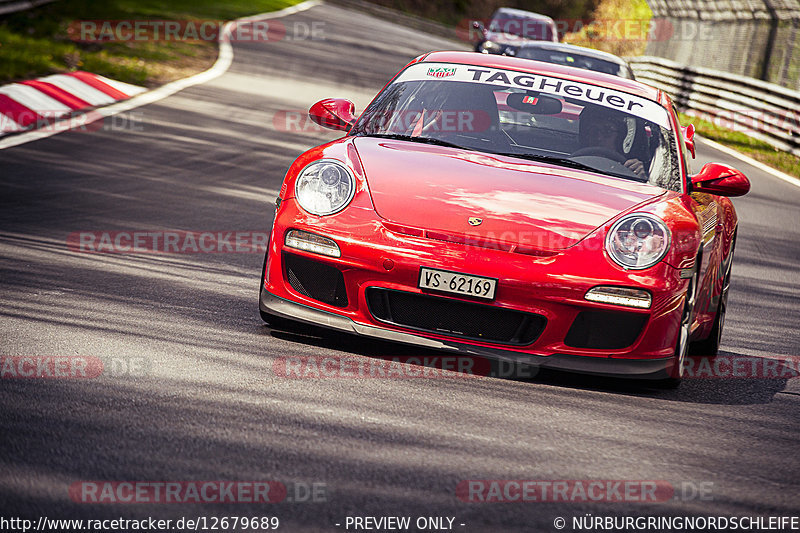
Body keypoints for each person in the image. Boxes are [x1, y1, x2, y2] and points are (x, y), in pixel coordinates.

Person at [576, 106, 646, 179]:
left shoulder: (631, 169)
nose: (599, 138)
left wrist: (639, 177)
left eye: (608, 131)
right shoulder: (570, 167)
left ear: (620, 138)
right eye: (594, 131)